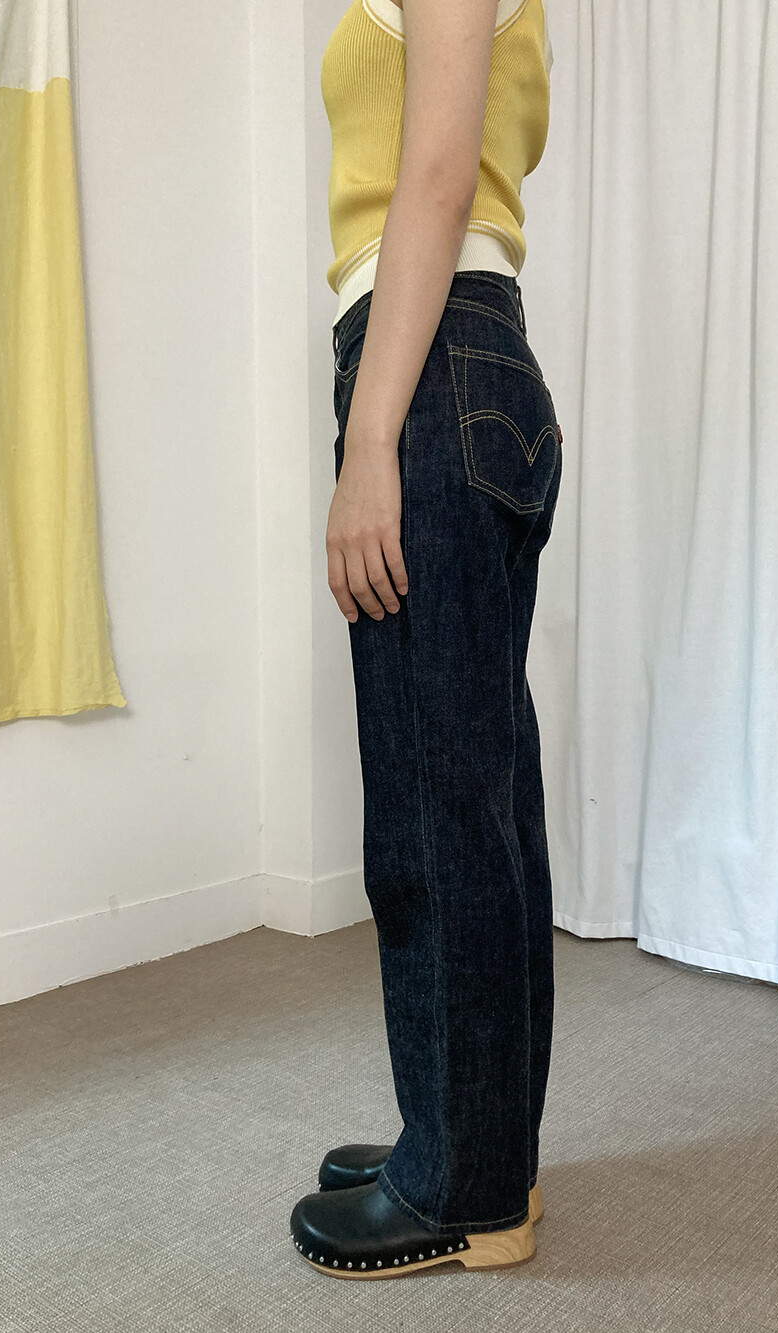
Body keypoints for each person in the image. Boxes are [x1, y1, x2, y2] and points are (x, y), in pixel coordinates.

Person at [289, 0, 561, 1280]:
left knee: (435, 813)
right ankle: (476, 1136)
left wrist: (368, 444)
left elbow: (439, 174)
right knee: (478, 798)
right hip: (457, 361)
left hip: (430, 358)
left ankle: (463, 1187)